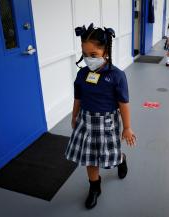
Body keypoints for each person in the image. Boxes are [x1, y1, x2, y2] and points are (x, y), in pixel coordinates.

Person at [65, 23, 136, 209]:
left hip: (107, 123)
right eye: (85, 54)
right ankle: (95, 188)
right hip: (86, 122)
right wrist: (74, 116)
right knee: (90, 158)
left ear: (105, 52)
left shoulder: (117, 76)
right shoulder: (82, 74)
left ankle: (121, 159)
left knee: (108, 154)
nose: (89, 59)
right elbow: (78, 97)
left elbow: (123, 104)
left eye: (93, 55)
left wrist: (127, 127)